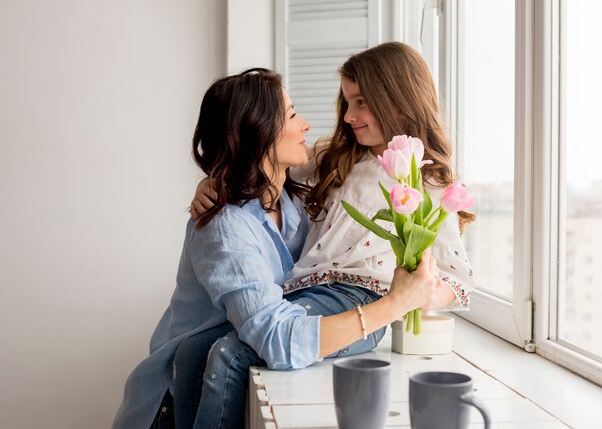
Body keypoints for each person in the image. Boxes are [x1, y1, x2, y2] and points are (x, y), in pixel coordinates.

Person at [112, 67, 440, 429]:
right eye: (293, 115)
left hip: (213, 370)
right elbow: (278, 340)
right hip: (174, 405)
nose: (307, 126)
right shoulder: (225, 227)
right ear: (259, 133)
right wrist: (394, 304)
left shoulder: (295, 206)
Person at [184, 42, 475, 428]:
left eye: (360, 103)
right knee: (191, 351)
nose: (349, 115)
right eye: (347, 103)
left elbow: (459, 280)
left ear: (400, 103)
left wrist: (421, 292)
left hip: (360, 300)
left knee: (231, 355)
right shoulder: (335, 159)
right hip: (304, 292)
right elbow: (260, 163)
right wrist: (213, 180)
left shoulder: (429, 183)